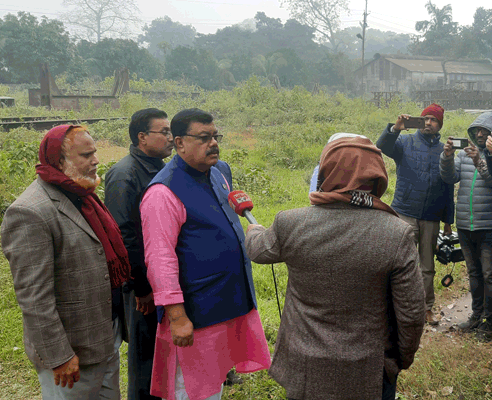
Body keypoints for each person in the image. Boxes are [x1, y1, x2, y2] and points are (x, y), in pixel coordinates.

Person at [245, 135, 426, 400]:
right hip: (369, 370)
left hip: (304, 367)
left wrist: (254, 230)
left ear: (325, 171)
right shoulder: (397, 233)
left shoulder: (290, 223)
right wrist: (400, 361)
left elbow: (258, 251)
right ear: (378, 176)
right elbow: (411, 314)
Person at [140, 108, 271, 400]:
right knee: (192, 390)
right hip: (197, 311)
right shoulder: (163, 192)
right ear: (179, 143)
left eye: (215, 136)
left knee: (215, 385)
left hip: (227, 302)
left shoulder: (218, 172)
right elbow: (160, 259)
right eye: (203, 137)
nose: (213, 143)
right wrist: (177, 317)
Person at [2, 125, 130, 399]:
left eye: (94, 152)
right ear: (59, 162)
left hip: (104, 337)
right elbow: (34, 297)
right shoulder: (30, 212)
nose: (96, 160)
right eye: (86, 155)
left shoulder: (84, 197)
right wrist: (58, 355)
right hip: (72, 350)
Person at [104, 108, 172, 400]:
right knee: (145, 356)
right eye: (164, 132)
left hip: (163, 278)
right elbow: (124, 237)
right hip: (143, 284)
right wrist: (142, 287)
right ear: (142, 137)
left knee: (164, 350)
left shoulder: (161, 169)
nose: (171, 138)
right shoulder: (125, 175)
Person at [377, 103, 455, 325]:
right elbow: (382, 146)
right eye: (425, 119)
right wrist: (396, 128)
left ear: (440, 125)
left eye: (434, 120)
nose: (429, 123)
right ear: (419, 121)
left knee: (427, 266)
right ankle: (396, 307)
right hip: (405, 212)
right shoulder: (405, 142)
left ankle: (426, 308)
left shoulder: (444, 150)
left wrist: (448, 221)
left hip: (431, 216)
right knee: (400, 263)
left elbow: (448, 187)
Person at [440, 111, 492, 341]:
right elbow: (449, 178)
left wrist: (480, 161)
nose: (480, 134)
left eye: (485, 131)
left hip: (490, 223)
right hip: (465, 224)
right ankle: (475, 315)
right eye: (476, 130)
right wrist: (448, 157)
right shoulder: (463, 155)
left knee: (489, 273)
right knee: (473, 272)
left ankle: (488, 322)